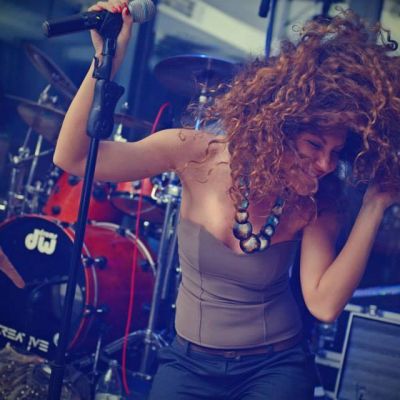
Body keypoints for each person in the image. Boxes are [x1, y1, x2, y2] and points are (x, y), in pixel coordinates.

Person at [54, 1, 400, 399]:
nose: (325, 164)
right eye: (313, 144)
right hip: (188, 363)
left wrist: (374, 206)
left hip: (275, 366)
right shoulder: (194, 153)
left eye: (336, 152)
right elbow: (73, 157)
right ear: (278, 127)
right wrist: (106, 60)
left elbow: (324, 305)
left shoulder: (318, 201)